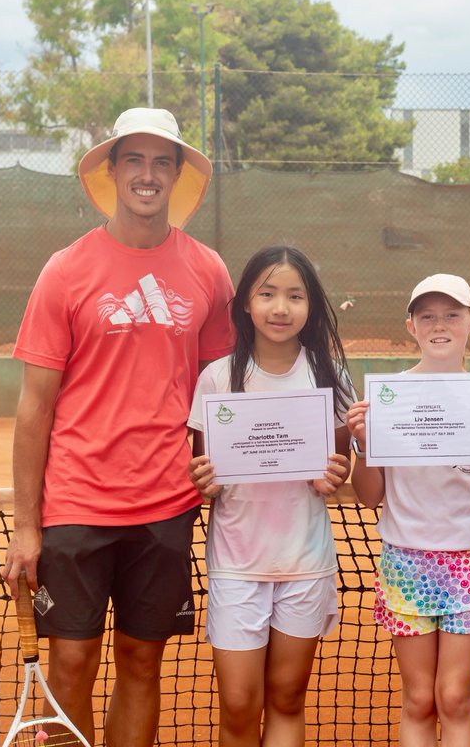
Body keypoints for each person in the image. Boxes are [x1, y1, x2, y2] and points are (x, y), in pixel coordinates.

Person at [0, 107, 235, 745]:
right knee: (72, 660)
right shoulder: (65, 270)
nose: (147, 175)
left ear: (178, 175)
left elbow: (220, 391)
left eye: (162, 162)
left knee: (140, 660)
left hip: (167, 503)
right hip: (77, 502)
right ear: (112, 171)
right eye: (134, 160)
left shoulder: (209, 270)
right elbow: (34, 407)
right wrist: (26, 526)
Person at [186, 245, 353, 746]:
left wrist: (332, 476)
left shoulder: (330, 377)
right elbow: (205, 473)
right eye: (268, 294)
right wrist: (204, 481)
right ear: (245, 302)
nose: (281, 308)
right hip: (237, 564)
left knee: (286, 698)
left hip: (305, 563)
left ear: (310, 306)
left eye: (295, 296)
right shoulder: (217, 378)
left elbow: (339, 467)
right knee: (239, 704)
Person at [345, 274, 470, 747]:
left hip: (469, 562)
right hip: (405, 562)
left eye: (452, 315)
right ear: (412, 327)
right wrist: (365, 443)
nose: (439, 326)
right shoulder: (387, 399)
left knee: (455, 697)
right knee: (419, 698)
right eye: (428, 317)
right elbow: (369, 496)